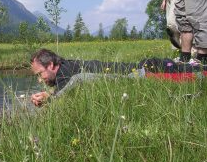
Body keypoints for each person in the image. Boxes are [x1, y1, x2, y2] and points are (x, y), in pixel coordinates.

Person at [30, 49, 207, 107]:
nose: (40, 79)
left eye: (40, 74)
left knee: (197, 74)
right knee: (193, 69)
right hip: (143, 70)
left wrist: (50, 99)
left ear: (51, 65)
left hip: (145, 73)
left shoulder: (67, 74)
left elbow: (75, 83)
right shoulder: (65, 70)